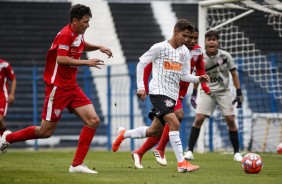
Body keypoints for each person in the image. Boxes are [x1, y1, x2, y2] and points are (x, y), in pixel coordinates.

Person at [0, 4, 113, 174]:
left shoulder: (77, 34)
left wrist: (99, 47)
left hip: (72, 87)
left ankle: (76, 165)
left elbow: (81, 45)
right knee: (45, 132)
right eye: (85, 22)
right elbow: (61, 59)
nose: (88, 25)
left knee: (93, 120)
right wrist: (86, 62)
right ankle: (8, 137)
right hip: (58, 88)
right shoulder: (66, 34)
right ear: (75, 21)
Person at [112, 19, 210, 173]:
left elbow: (184, 75)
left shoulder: (184, 52)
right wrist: (140, 87)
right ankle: (182, 164)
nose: (186, 40)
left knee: (154, 132)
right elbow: (141, 63)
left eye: (189, 37)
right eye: (184, 36)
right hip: (158, 92)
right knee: (175, 122)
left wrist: (199, 79)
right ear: (175, 32)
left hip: (172, 95)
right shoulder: (160, 47)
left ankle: (124, 134)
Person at [184, 30, 244, 162]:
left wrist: (239, 92)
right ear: (205, 42)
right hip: (207, 91)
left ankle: (237, 153)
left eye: (214, 39)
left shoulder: (226, 56)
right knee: (199, 118)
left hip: (223, 91)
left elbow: (234, 74)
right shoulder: (200, 56)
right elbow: (197, 76)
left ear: (218, 42)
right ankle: (189, 151)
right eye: (209, 39)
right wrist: (194, 94)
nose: (211, 42)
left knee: (230, 120)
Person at [0, 59, 16, 136]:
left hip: (2, 96)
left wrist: (12, 95)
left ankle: (3, 136)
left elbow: (13, 79)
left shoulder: (4, 65)